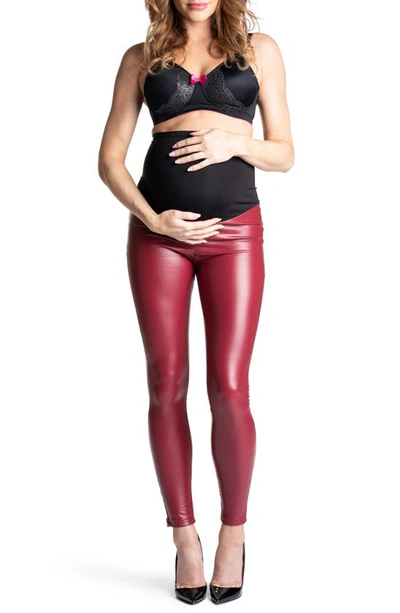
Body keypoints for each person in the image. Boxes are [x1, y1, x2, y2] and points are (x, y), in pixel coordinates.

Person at [98, 0, 294, 605]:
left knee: (230, 387)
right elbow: (109, 160)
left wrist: (234, 142)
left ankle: (233, 532)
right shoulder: (141, 57)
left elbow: (284, 153)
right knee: (166, 384)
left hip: (236, 235)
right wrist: (153, 217)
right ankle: (184, 536)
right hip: (159, 238)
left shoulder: (260, 51)